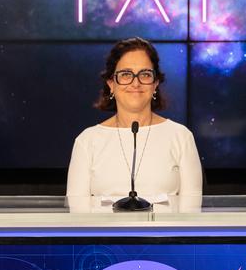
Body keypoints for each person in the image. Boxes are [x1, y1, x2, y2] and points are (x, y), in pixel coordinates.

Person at [67, 37, 202, 200]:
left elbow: (192, 213)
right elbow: (77, 217)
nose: (135, 83)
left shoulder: (181, 137)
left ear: (155, 84)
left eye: (145, 75)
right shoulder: (87, 141)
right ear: (111, 83)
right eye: (126, 74)